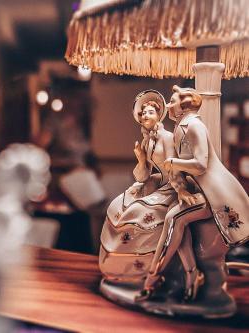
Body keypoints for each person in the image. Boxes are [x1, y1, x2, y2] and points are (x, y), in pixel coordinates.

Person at [139, 85, 249, 301]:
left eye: (172, 101)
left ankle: (154, 275)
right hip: (201, 189)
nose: (168, 105)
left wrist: (173, 163)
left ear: (184, 105)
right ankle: (190, 274)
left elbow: (200, 164)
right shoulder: (182, 126)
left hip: (213, 193)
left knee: (174, 218)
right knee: (178, 224)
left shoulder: (194, 126)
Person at [100, 90, 197, 286]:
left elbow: (173, 168)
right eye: (143, 113)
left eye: (150, 112)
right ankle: (118, 265)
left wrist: (181, 190)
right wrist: (142, 159)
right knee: (118, 204)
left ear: (159, 115)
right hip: (156, 181)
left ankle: (145, 267)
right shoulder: (146, 141)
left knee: (140, 211)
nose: (145, 116)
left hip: (171, 184)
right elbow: (142, 176)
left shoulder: (168, 138)